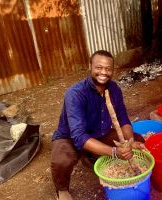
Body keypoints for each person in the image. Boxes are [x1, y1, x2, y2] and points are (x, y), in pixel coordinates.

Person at [51, 50, 146, 200]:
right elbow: (79, 137)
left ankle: (90, 156)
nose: (103, 72)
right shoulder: (75, 93)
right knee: (62, 160)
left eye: (108, 69)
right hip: (70, 137)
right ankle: (62, 189)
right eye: (99, 67)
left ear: (112, 70)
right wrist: (115, 152)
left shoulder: (114, 89)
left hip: (98, 133)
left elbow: (122, 119)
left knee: (139, 139)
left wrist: (130, 142)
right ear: (90, 66)